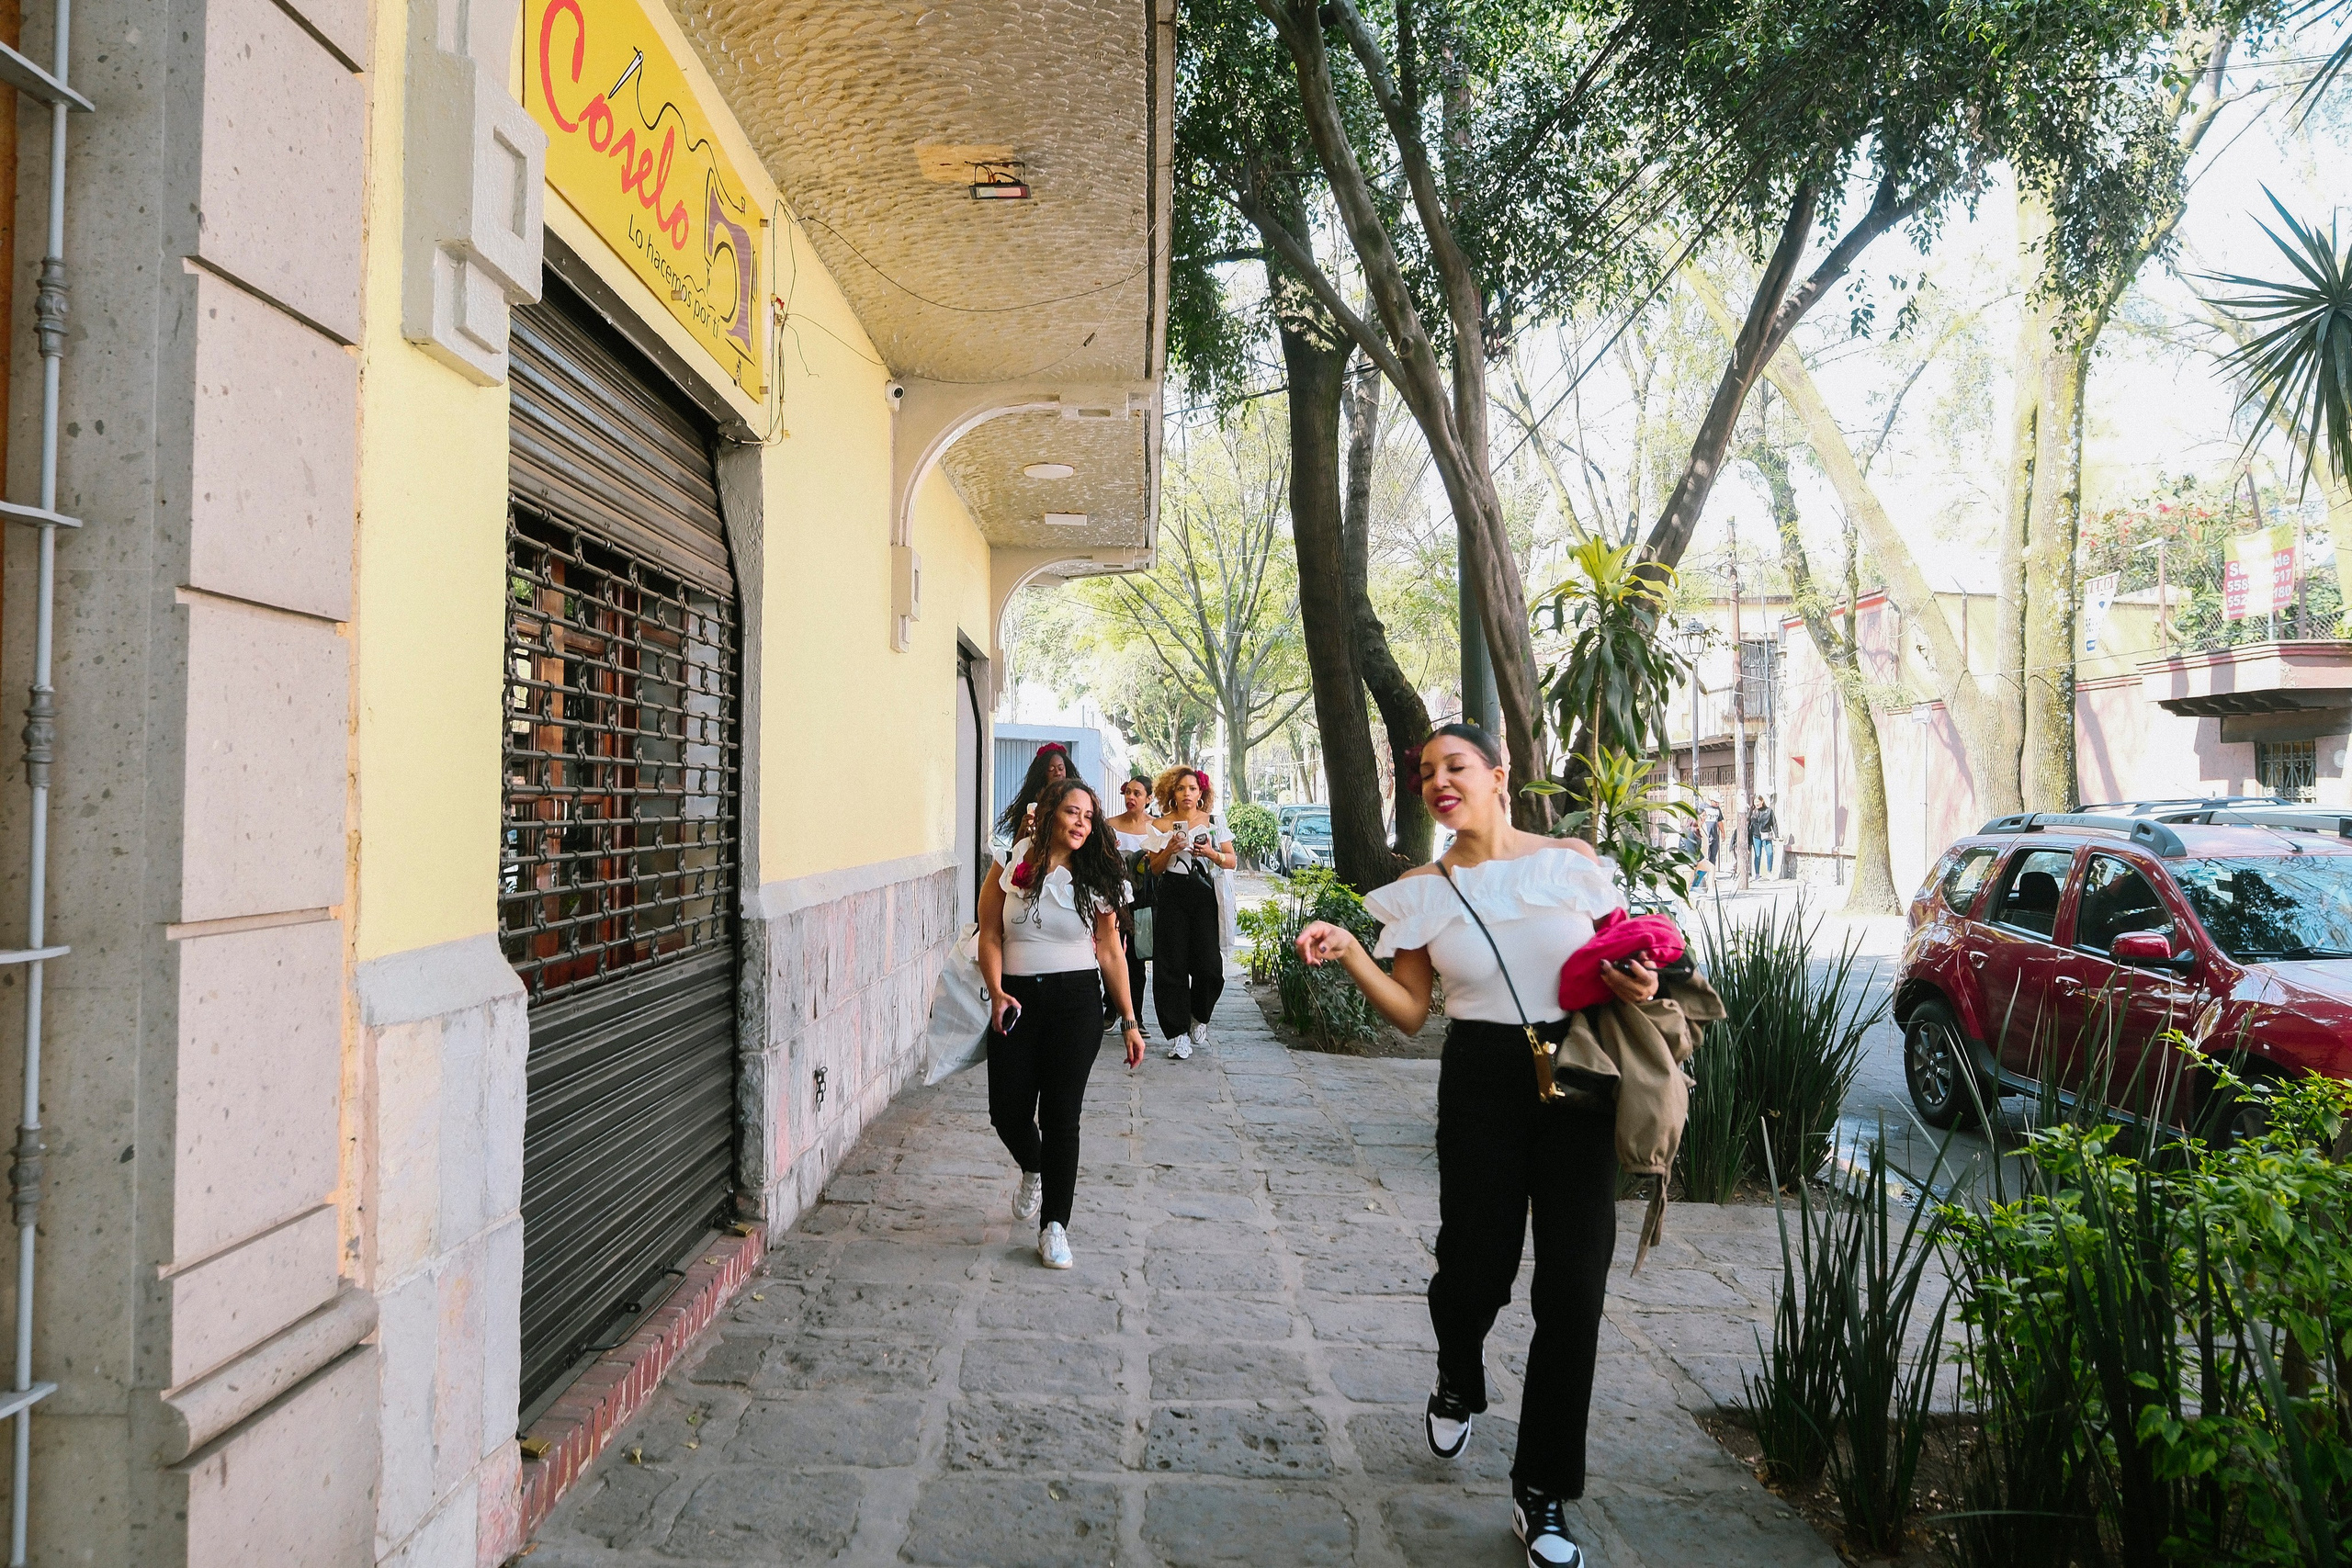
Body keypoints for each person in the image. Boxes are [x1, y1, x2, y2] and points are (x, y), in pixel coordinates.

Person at [1294, 722, 1657, 1568]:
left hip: (1580, 1076)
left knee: (1573, 1289)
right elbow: (1413, 1011)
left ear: (1500, 775)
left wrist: (1640, 978)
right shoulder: (1421, 890)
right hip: (1482, 1080)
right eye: (1424, 773)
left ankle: (1543, 1494)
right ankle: (1458, 1366)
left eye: (1454, 766)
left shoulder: (1570, 861)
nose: (1437, 781)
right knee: (1474, 1268)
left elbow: (1627, 956)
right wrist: (1351, 948)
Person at [977, 777, 1148, 1269]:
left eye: (1089, 816)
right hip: (1016, 1001)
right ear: (1049, 811)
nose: (1081, 823)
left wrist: (1131, 1021)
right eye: (1073, 812)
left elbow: (1111, 950)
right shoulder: (1010, 862)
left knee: (1061, 1116)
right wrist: (997, 990)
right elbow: (989, 933)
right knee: (1006, 1110)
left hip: (1076, 1005)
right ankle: (1034, 1165)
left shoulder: (1098, 873)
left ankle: (1055, 1226)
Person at [1147, 766, 1234, 1060]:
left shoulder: (1213, 822)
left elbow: (1231, 860)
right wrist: (1170, 848)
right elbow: (1154, 868)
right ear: (1172, 792)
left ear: (1202, 793)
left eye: (1193, 788)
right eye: (1181, 788)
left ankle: (1200, 1015)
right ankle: (1178, 1034)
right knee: (1171, 964)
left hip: (1203, 895)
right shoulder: (1160, 825)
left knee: (1210, 965)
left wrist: (1210, 853)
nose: (1187, 794)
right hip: (1172, 894)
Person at [1106, 775, 1159, 1036]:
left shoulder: (1156, 827)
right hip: (1112, 899)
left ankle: (1135, 1016)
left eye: (1138, 793)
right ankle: (1110, 1005)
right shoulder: (1110, 825)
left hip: (1142, 901)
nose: (1131, 798)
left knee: (1136, 958)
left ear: (1149, 798)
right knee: (1108, 951)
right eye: (1128, 792)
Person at [995, 741, 1071, 846]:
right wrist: (1023, 828)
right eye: (1051, 769)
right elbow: (1017, 848)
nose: (1057, 773)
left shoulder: (1073, 797)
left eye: (1061, 768)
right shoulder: (1033, 802)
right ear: (1043, 773)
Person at [1747, 796, 1779, 880]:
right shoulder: (1752, 811)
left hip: (1766, 834)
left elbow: (1774, 823)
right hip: (1756, 835)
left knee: (1770, 852)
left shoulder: (1769, 811)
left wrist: (1776, 835)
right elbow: (1748, 823)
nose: (1756, 803)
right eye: (1755, 802)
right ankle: (1757, 874)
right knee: (1757, 855)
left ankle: (1769, 872)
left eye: (1758, 801)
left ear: (1762, 801)